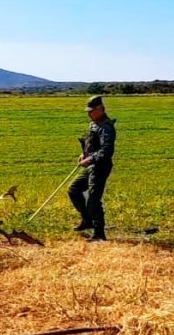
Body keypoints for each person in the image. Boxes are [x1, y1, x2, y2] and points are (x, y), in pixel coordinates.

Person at [68, 95, 116, 241]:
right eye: (88, 111)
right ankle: (87, 220)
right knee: (74, 190)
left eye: (92, 111)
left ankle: (99, 234)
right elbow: (91, 143)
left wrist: (90, 158)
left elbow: (107, 151)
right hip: (91, 166)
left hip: (100, 167)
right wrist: (83, 153)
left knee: (93, 200)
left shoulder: (106, 128)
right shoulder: (93, 124)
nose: (89, 113)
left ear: (101, 109)